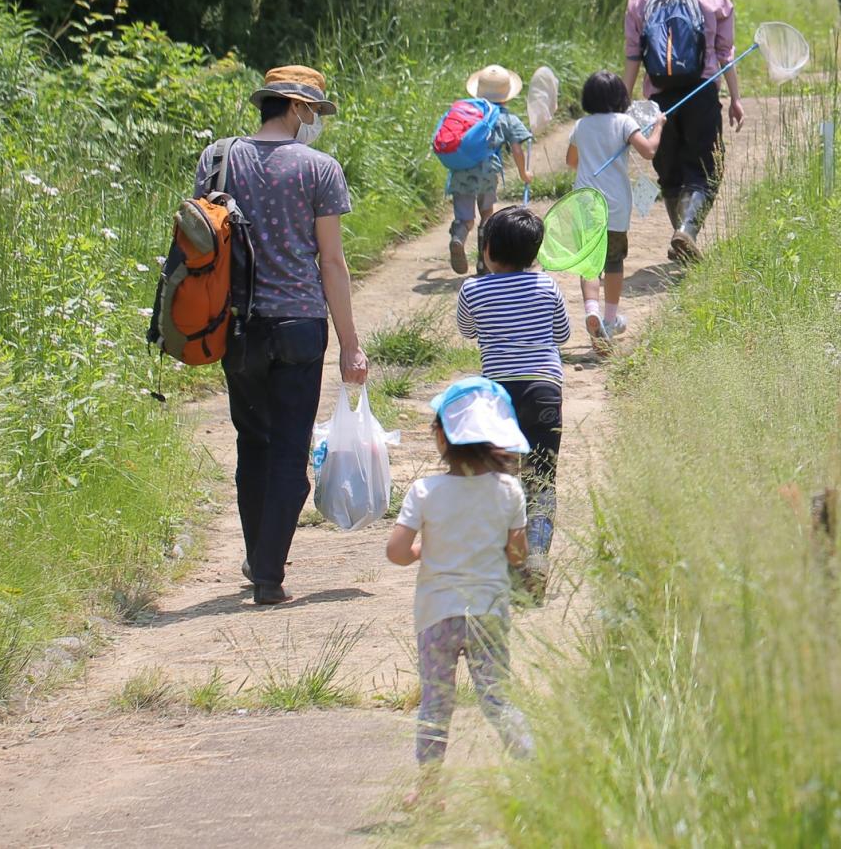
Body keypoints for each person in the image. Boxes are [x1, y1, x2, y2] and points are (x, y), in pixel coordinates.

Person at [196, 65, 368, 606]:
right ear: (295, 107)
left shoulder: (218, 159)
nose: (314, 120)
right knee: (291, 453)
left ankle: (258, 556)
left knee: (253, 444)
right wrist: (350, 343)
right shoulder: (320, 168)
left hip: (237, 325)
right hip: (299, 326)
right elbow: (331, 262)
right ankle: (268, 572)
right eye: (312, 110)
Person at [386, 378, 535, 771]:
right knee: (497, 699)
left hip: (437, 615)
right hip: (488, 613)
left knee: (436, 704)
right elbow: (518, 555)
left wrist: (421, 551)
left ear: (441, 437)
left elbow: (396, 552)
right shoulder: (509, 490)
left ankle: (428, 788)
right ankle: (531, 770)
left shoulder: (424, 491)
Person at [453, 207, 569, 591]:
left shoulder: (473, 290)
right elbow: (562, 334)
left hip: (497, 397)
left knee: (502, 479)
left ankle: (507, 560)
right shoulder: (548, 286)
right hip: (543, 390)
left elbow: (467, 329)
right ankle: (536, 557)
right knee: (542, 478)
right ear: (535, 252)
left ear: (487, 250)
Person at [623, 0, 744, 264]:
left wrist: (623, 102)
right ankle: (687, 231)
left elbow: (633, 55)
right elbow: (725, 53)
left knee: (669, 171)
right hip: (702, 92)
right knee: (705, 169)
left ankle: (683, 232)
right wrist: (735, 98)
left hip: (658, 98)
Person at [564, 71, 663, 355]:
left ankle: (591, 311)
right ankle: (608, 320)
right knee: (614, 262)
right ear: (620, 96)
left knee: (590, 264)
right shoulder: (624, 122)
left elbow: (571, 161)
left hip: (586, 202)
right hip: (615, 205)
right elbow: (649, 151)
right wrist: (659, 125)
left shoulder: (581, 125)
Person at [445, 65, 535, 276]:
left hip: (460, 170)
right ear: (507, 95)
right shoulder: (506, 118)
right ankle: (484, 263)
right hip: (487, 173)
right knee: (487, 214)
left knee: (465, 218)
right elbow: (516, 149)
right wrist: (524, 174)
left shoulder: (467, 112)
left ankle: (458, 237)